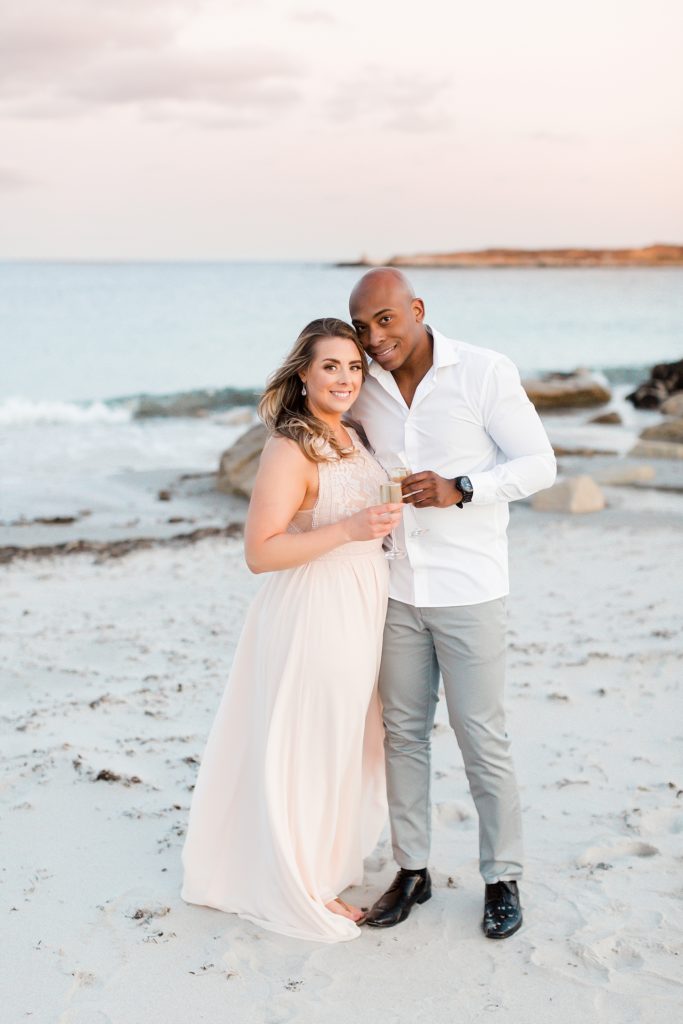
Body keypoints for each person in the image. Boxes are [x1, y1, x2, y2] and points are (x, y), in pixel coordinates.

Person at [347, 269, 557, 939]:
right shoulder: (364, 386)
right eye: (362, 326)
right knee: (401, 735)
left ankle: (502, 877)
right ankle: (413, 872)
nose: (375, 337)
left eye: (385, 320)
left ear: (416, 309)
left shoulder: (483, 371)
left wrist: (461, 486)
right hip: (396, 589)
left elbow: (538, 464)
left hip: (470, 589)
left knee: (480, 737)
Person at [181, 317, 403, 943]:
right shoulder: (290, 446)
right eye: (331, 366)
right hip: (315, 606)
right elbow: (260, 552)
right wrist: (350, 530)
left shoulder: (355, 434)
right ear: (303, 372)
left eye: (355, 367)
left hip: (366, 601)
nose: (345, 378)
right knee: (316, 740)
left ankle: (328, 863)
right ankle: (304, 881)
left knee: (360, 739)